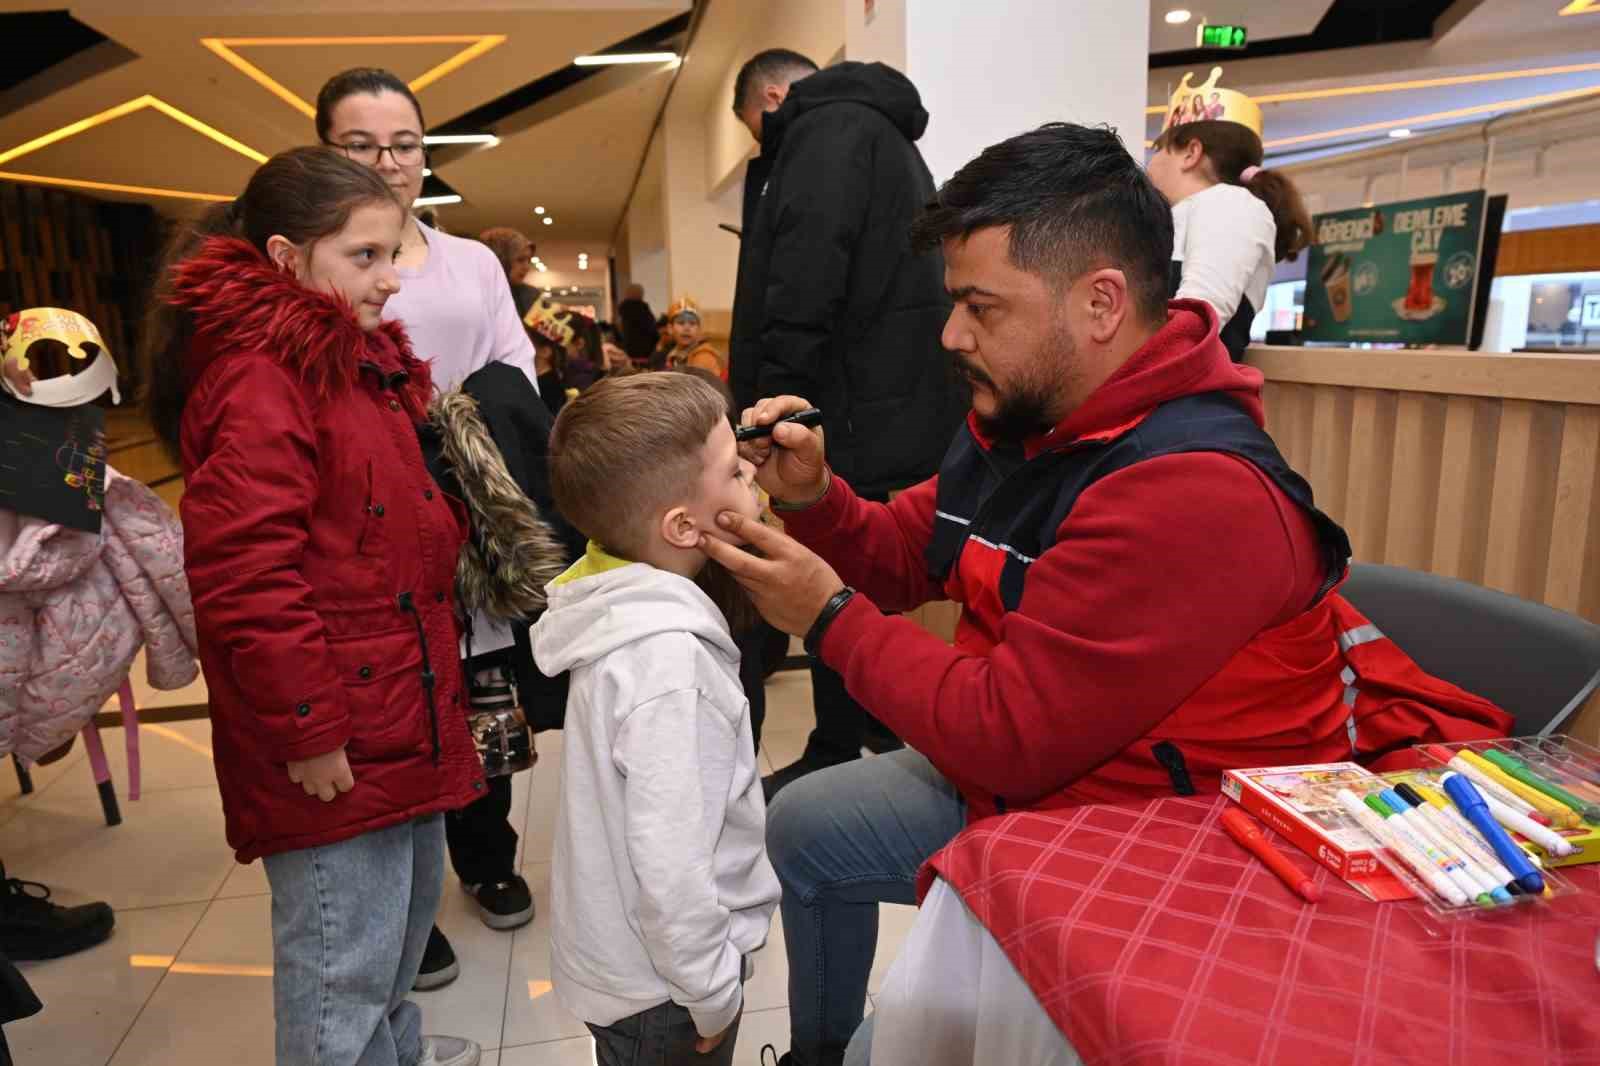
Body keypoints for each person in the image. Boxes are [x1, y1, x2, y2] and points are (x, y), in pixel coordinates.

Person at [698, 123, 1510, 1066]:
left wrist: (827, 617)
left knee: (902, 1044)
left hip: (1179, 843)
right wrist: (819, 502)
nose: (951, 334)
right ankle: (816, 1052)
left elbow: (1003, 731)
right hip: (1049, 783)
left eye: (980, 307)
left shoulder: (1186, 492)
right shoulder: (1032, 416)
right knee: (804, 827)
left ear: (1100, 303)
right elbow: (912, 550)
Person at [146, 146, 483, 1066]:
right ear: (289, 259)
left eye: (392, 256)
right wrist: (308, 727)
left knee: (394, 948)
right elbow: (244, 575)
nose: (388, 282)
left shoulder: (348, 364)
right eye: (363, 258)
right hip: (336, 730)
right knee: (341, 976)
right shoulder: (262, 377)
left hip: (392, 707)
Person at [316, 67, 549, 988]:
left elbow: (513, 373)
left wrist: (457, 440)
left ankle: (486, 856)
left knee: (483, 695)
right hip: (372, 521)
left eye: (405, 144)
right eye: (361, 144)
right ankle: (410, 909)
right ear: (324, 151)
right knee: (399, 706)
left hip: (470, 511)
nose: (387, 162)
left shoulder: (472, 263)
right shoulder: (315, 268)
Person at [727, 48, 968, 800]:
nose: (765, 142)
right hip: (898, 394)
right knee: (870, 562)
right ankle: (869, 722)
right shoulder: (886, 133)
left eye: (757, 127)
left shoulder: (825, 131)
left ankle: (835, 747)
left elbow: (803, 276)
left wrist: (777, 407)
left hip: (845, 403)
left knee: (835, 561)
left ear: (773, 96)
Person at [530, 373, 780, 1066]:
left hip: (627, 972)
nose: (754, 475)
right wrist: (713, 994)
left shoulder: (616, 612)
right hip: (667, 996)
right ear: (682, 526)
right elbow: (672, 869)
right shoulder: (670, 665)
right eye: (734, 470)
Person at [1146, 119, 1313, 361]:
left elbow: (1197, 317)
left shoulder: (1230, 203)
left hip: (1177, 392)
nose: (1150, 164)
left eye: (1158, 149)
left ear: (1191, 153)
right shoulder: (1182, 216)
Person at [478, 226, 540, 319]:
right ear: (501, 259)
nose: (527, 267)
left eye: (528, 260)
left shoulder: (531, 296)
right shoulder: (475, 295)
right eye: (520, 260)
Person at [660, 297, 723, 377]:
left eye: (692, 323)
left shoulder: (704, 356)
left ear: (699, 329)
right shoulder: (672, 355)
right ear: (670, 328)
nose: (687, 328)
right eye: (681, 323)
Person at [616, 283, 658, 368]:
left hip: (627, 357)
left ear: (627, 294)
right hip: (646, 356)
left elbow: (618, 333)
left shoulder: (622, 312)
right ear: (641, 294)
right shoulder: (644, 311)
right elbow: (653, 332)